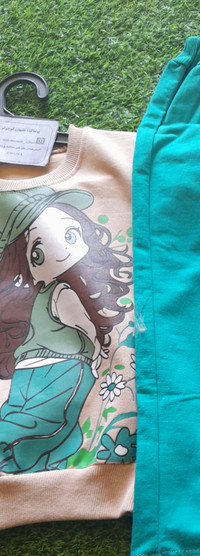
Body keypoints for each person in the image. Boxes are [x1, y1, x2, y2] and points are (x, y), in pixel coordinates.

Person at [0, 186, 132, 474]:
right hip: (65, 366)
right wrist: (96, 357)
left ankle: (40, 463)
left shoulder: (35, 298)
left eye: (70, 235)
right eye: (37, 254)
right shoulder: (62, 291)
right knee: (54, 424)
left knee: (20, 415)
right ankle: (12, 459)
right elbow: (87, 328)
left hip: (27, 368)